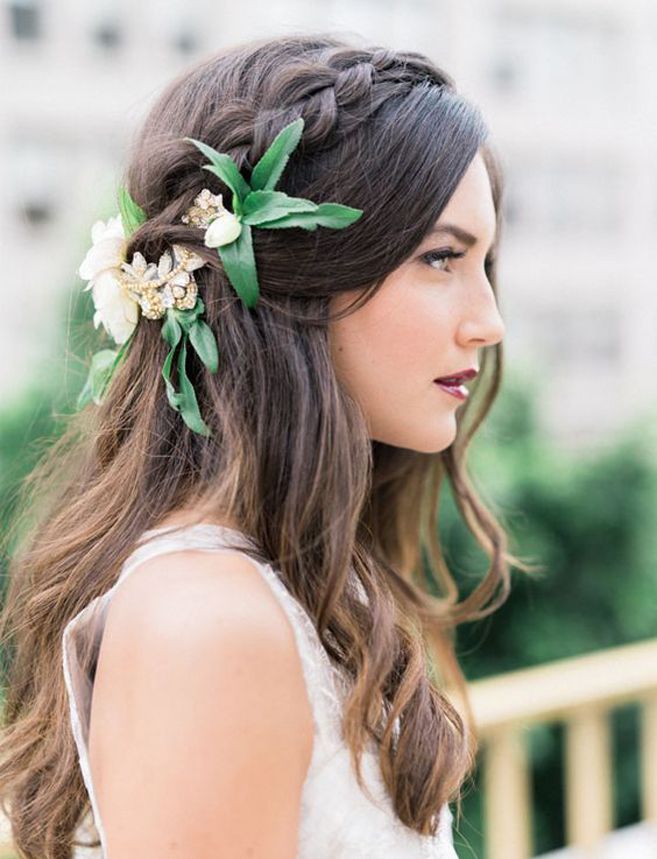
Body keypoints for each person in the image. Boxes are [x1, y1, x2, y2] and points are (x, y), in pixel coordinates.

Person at [0, 30, 531, 859]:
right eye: (439, 259)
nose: (488, 321)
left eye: (482, 263)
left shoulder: (298, 575)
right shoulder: (206, 625)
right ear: (294, 272)